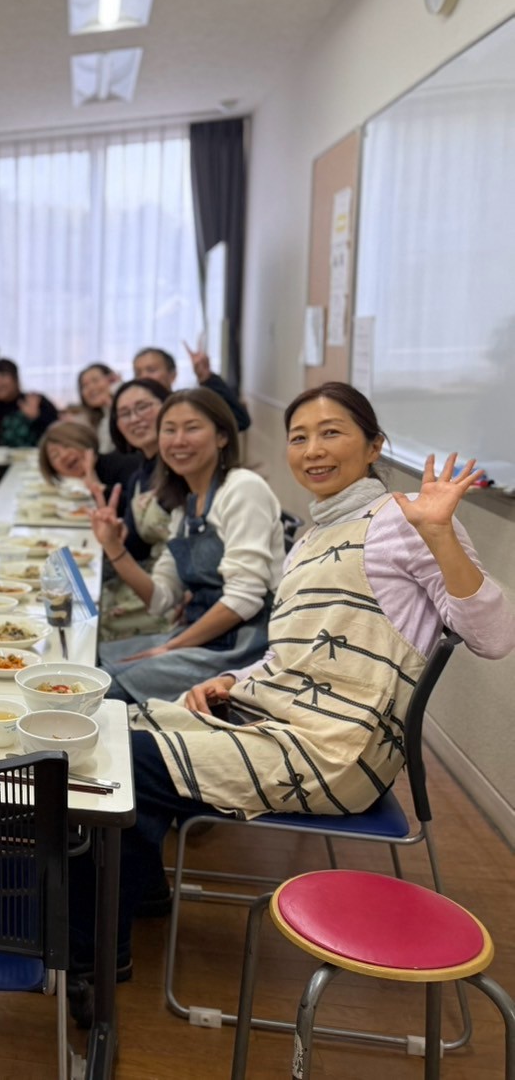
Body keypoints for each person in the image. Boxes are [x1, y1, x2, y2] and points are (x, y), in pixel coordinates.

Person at [68, 382, 515, 1025]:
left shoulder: (406, 520)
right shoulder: (315, 531)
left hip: (334, 751)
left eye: (332, 433)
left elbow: (494, 636)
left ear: (374, 446)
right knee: (110, 726)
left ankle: (91, 961)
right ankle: (137, 896)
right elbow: (294, 653)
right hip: (280, 719)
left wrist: (442, 534)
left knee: (128, 759)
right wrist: (234, 680)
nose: (313, 450)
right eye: (299, 436)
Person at [91, 388, 284, 703]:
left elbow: (244, 600)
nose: (178, 441)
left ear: (222, 437)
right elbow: (161, 599)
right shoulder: (185, 506)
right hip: (201, 638)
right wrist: (113, 546)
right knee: (91, 660)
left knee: (96, 689)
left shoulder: (243, 489)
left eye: (192, 428)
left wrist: (170, 647)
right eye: (169, 430)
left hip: (242, 650)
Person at [96, 379, 174, 642]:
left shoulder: (182, 469)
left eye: (143, 407)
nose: (135, 418)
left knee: (92, 622)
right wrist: (114, 535)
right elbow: (136, 547)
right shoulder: (139, 476)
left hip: (175, 593)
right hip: (147, 578)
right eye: (125, 413)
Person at [134, 338, 251, 432]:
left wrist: (207, 378)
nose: (143, 377)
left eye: (151, 370)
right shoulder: (132, 411)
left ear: (172, 375)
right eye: (138, 373)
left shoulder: (187, 403)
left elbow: (239, 421)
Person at [0, 358, 60, 448]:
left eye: (3, 376)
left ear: (16, 379)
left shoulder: (35, 401)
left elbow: (58, 435)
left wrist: (37, 418)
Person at [36, 421, 137, 494]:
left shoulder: (123, 464)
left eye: (67, 446)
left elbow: (134, 509)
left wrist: (97, 487)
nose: (63, 456)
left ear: (83, 441)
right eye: (55, 455)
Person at [77, 362, 120, 450]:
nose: (91, 388)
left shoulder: (125, 412)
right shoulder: (87, 423)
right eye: (84, 385)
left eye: (95, 381)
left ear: (113, 380)